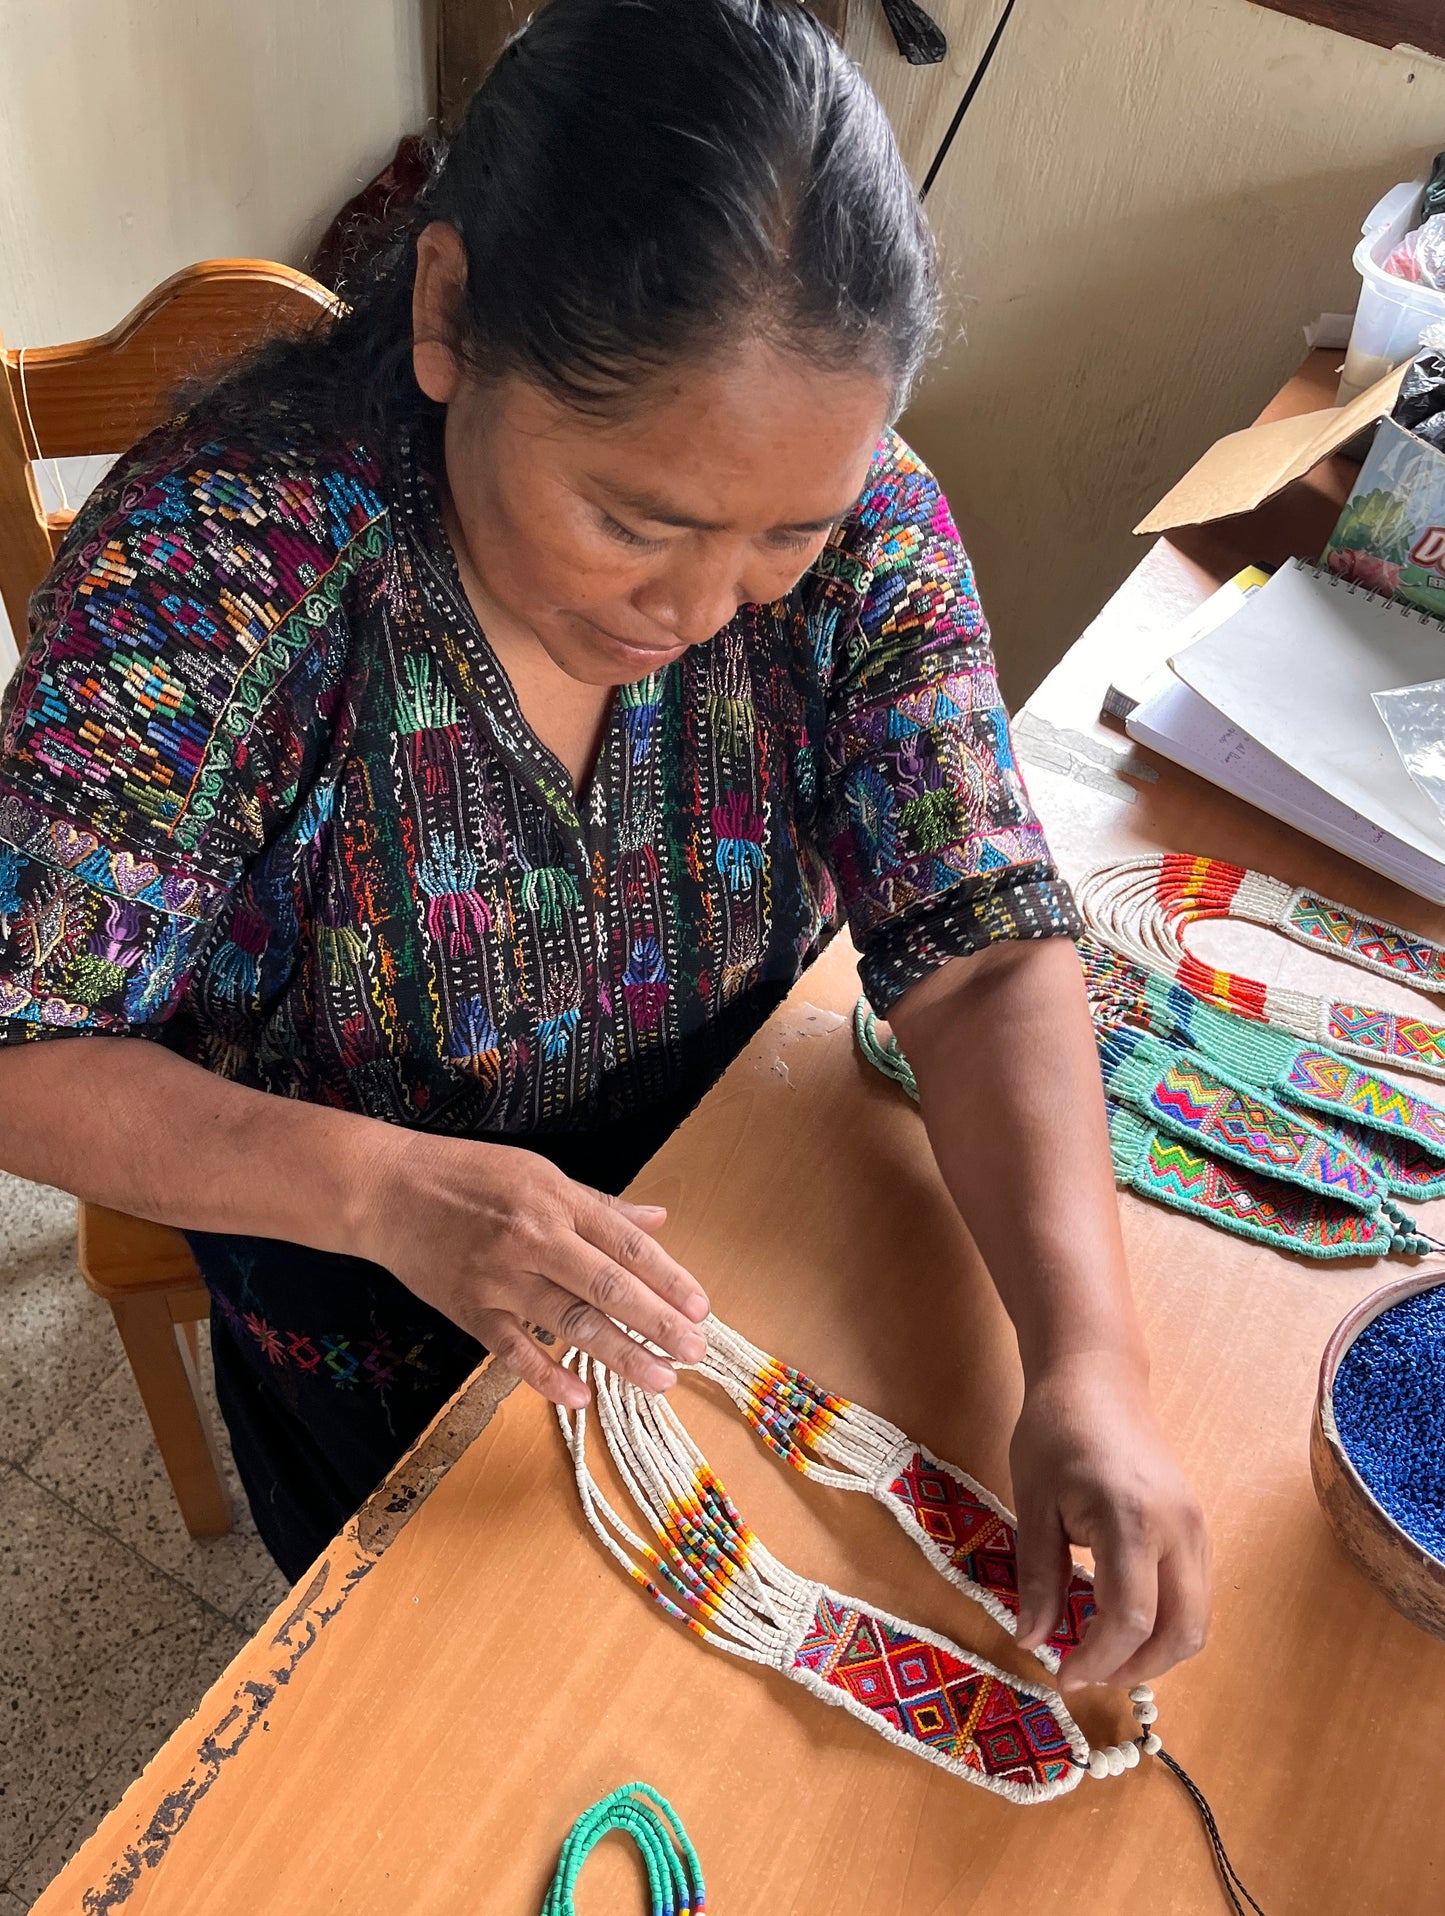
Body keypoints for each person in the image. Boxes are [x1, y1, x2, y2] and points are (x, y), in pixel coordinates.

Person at [0, 0, 1207, 1684]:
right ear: (446, 314)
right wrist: (384, 1188)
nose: (706, 606)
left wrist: (1086, 1362)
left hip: (736, 1230)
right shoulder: (225, 567)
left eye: (782, 531)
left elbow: (981, 933)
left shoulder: (865, 526)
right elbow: (23, 1041)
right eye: (634, 521)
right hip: (381, 1330)